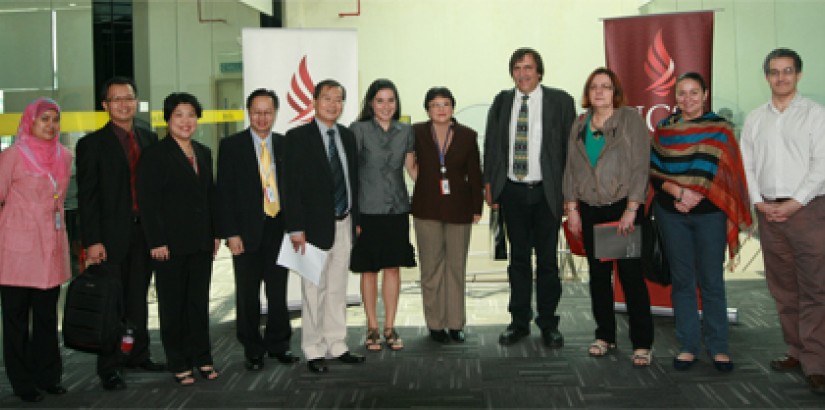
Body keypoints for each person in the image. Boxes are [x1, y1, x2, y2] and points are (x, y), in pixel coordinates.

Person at [651, 72, 752, 373]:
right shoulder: (664, 129)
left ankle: (719, 347)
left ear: (705, 94)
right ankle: (688, 346)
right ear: (675, 97)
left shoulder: (721, 130)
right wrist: (679, 191)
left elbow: (729, 175)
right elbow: (654, 172)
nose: (688, 99)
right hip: (672, 214)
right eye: (682, 93)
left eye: (694, 92)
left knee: (711, 281)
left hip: (709, 215)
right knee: (682, 280)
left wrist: (696, 195)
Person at [741, 48, 825, 394]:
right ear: (766, 77)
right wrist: (759, 202)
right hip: (768, 214)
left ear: (799, 75)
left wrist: (793, 203)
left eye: (788, 71)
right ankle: (795, 349)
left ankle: (817, 361)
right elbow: (746, 163)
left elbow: (821, 167)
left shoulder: (816, 115)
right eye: (774, 72)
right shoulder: (755, 119)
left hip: (806, 212)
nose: (781, 77)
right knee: (783, 287)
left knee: (815, 288)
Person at [483, 48, 576, 347]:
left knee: (548, 262)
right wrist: (490, 184)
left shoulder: (560, 102)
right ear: (512, 72)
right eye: (517, 68)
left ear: (539, 72)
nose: (523, 73)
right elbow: (492, 146)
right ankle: (518, 321)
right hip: (512, 192)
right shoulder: (501, 102)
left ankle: (548, 323)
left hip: (547, 193)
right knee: (518, 260)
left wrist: (569, 194)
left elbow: (571, 152)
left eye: (529, 68)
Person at [76, 76, 164, 391]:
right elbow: (88, 198)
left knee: (139, 300)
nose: (123, 104)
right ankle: (110, 365)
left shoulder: (149, 138)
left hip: (144, 235)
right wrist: (93, 242)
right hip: (110, 237)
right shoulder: (91, 144)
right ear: (105, 106)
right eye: (116, 99)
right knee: (111, 304)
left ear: (136, 101)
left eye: (128, 98)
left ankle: (138, 354)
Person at [562, 68, 654, 367]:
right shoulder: (579, 123)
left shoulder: (630, 120)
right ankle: (605, 335)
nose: (599, 92)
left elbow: (641, 167)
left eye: (606, 86)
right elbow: (571, 169)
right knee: (599, 278)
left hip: (621, 210)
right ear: (587, 93)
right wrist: (572, 208)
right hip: (590, 209)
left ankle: (642, 343)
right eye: (594, 87)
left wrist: (632, 208)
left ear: (615, 91)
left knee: (629, 277)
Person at [136, 93, 219, 386]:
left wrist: (213, 234)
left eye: (191, 115)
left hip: (199, 242)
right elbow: (149, 203)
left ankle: (203, 357)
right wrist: (156, 240)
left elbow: (209, 197)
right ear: (167, 119)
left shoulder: (204, 152)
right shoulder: (155, 155)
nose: (186, 121)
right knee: (173, 306)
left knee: (198, 303)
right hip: (168, 245)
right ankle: (179, 361)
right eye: (179, 115)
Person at [283, 79, 365, 373]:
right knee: (313, 289)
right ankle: (313, 348)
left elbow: (352, 180)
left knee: (337, 288)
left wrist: (355, 220)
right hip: (311, 228)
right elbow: (289, 187)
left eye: (338, 99)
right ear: (314, 102)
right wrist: (294, 228)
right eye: (327, 98)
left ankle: (336, 343)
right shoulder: (297, 137)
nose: (333, 104)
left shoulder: (346, 136)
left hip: (344, 223)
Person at [216, 89, 299, 370]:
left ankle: (279, 344)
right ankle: (252, 348)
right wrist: (231, 234)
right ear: (248, 113)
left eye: (267, 112)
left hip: (279, 229)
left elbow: (294, 191)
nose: (262, 118)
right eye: (256, 112)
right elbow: (224, 194)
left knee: (278, 292)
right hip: (246, 232)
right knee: (247, 294)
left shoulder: (285, 144)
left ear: (275, 114)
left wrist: (296, 228)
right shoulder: (231, 146)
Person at [0, 99, 72, 403]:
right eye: (44, 119)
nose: (50, 125)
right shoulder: (12, 156)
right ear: (30, 121)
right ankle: (22, 380)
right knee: (16, 319)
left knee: (46, 317)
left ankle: (48, 376)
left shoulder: (65, 156)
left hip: (51, 248)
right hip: (16, 250)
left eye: (55, 119)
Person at [349, 79, 417, 351]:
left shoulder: (406, 131)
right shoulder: (358, 130)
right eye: (380, 100)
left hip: (397, 208)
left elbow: (412, 169)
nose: (386, 106)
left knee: (392, 266)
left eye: (391, 100)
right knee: (369, 269)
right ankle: (372, 327)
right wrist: (352, 215)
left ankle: (389, 326)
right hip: (367, 209)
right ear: (370, 103)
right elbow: (351, 173)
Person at [411, 87, 482, 343]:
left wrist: (477, 208)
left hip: (460, 209)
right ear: (427, 109)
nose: (440, 109)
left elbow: (475, 174)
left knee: (456, 267)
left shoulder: (467, 135)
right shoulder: (416, 132)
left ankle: (455, 324)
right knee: (431, 268)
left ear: (453, 107)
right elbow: (409, 162)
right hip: (426, 207)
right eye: (434, 104)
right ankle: (435, 324)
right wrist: (423, 181)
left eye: (445, 104)